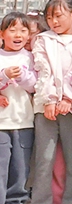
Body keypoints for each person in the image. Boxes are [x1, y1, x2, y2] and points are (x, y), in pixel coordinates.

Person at [31, 0, 72, 204]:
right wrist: (50, 99)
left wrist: (69, 98)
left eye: (58, 16)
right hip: (45, 107)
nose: (53, 21)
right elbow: (43, 70)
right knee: (43, 160)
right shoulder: (42, 40)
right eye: (49, 17)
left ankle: (71, 201)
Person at [0, 13, 36, 204]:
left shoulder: (30, 57)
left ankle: (18, 201)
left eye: (23, 30)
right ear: (2, 34)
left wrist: (23, 77)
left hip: (24, 121)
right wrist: (4, 75)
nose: (18, 35)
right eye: (12, 30)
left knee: (20, 170)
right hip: (1, 124)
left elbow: (35, 86)